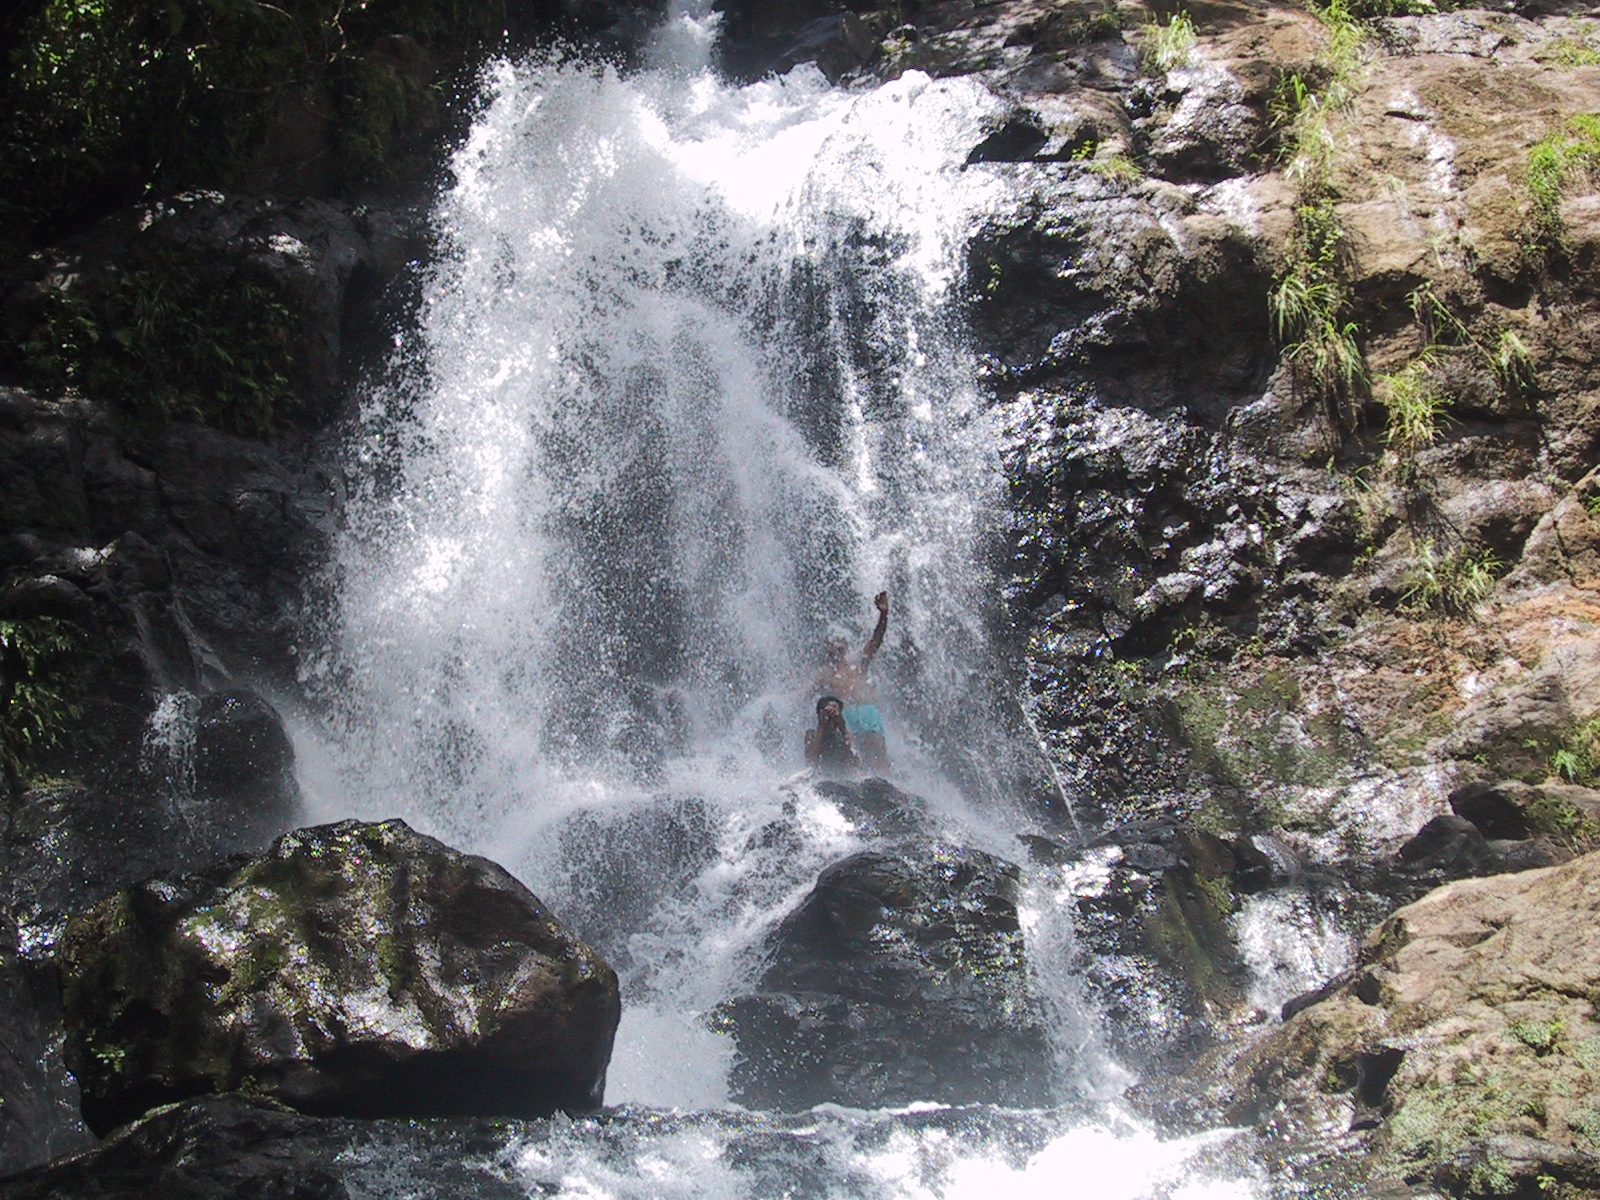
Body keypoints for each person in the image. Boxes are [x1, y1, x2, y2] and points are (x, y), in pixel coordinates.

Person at [812, 590, 890, 771]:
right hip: (845, 714)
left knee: (876, 745)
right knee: (850, 749)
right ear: (826, 647)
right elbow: (804, 693)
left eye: (839, 641)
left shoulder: (858, 663)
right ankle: (856, 781)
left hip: (867, 710)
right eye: (831, 642)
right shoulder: (825, 674)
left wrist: (883, 614)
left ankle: (888, 782)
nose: (835, 645)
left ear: (846, 645)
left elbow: (876, 640)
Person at [804, 695, 860, 776]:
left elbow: (855, 762)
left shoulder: (847, 735)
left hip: (842, 776)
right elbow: (811, 758)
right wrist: (822, 725)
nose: (831, 715)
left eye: (835, 711)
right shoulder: (811, 734)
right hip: (820, 776)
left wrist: (842, 727)